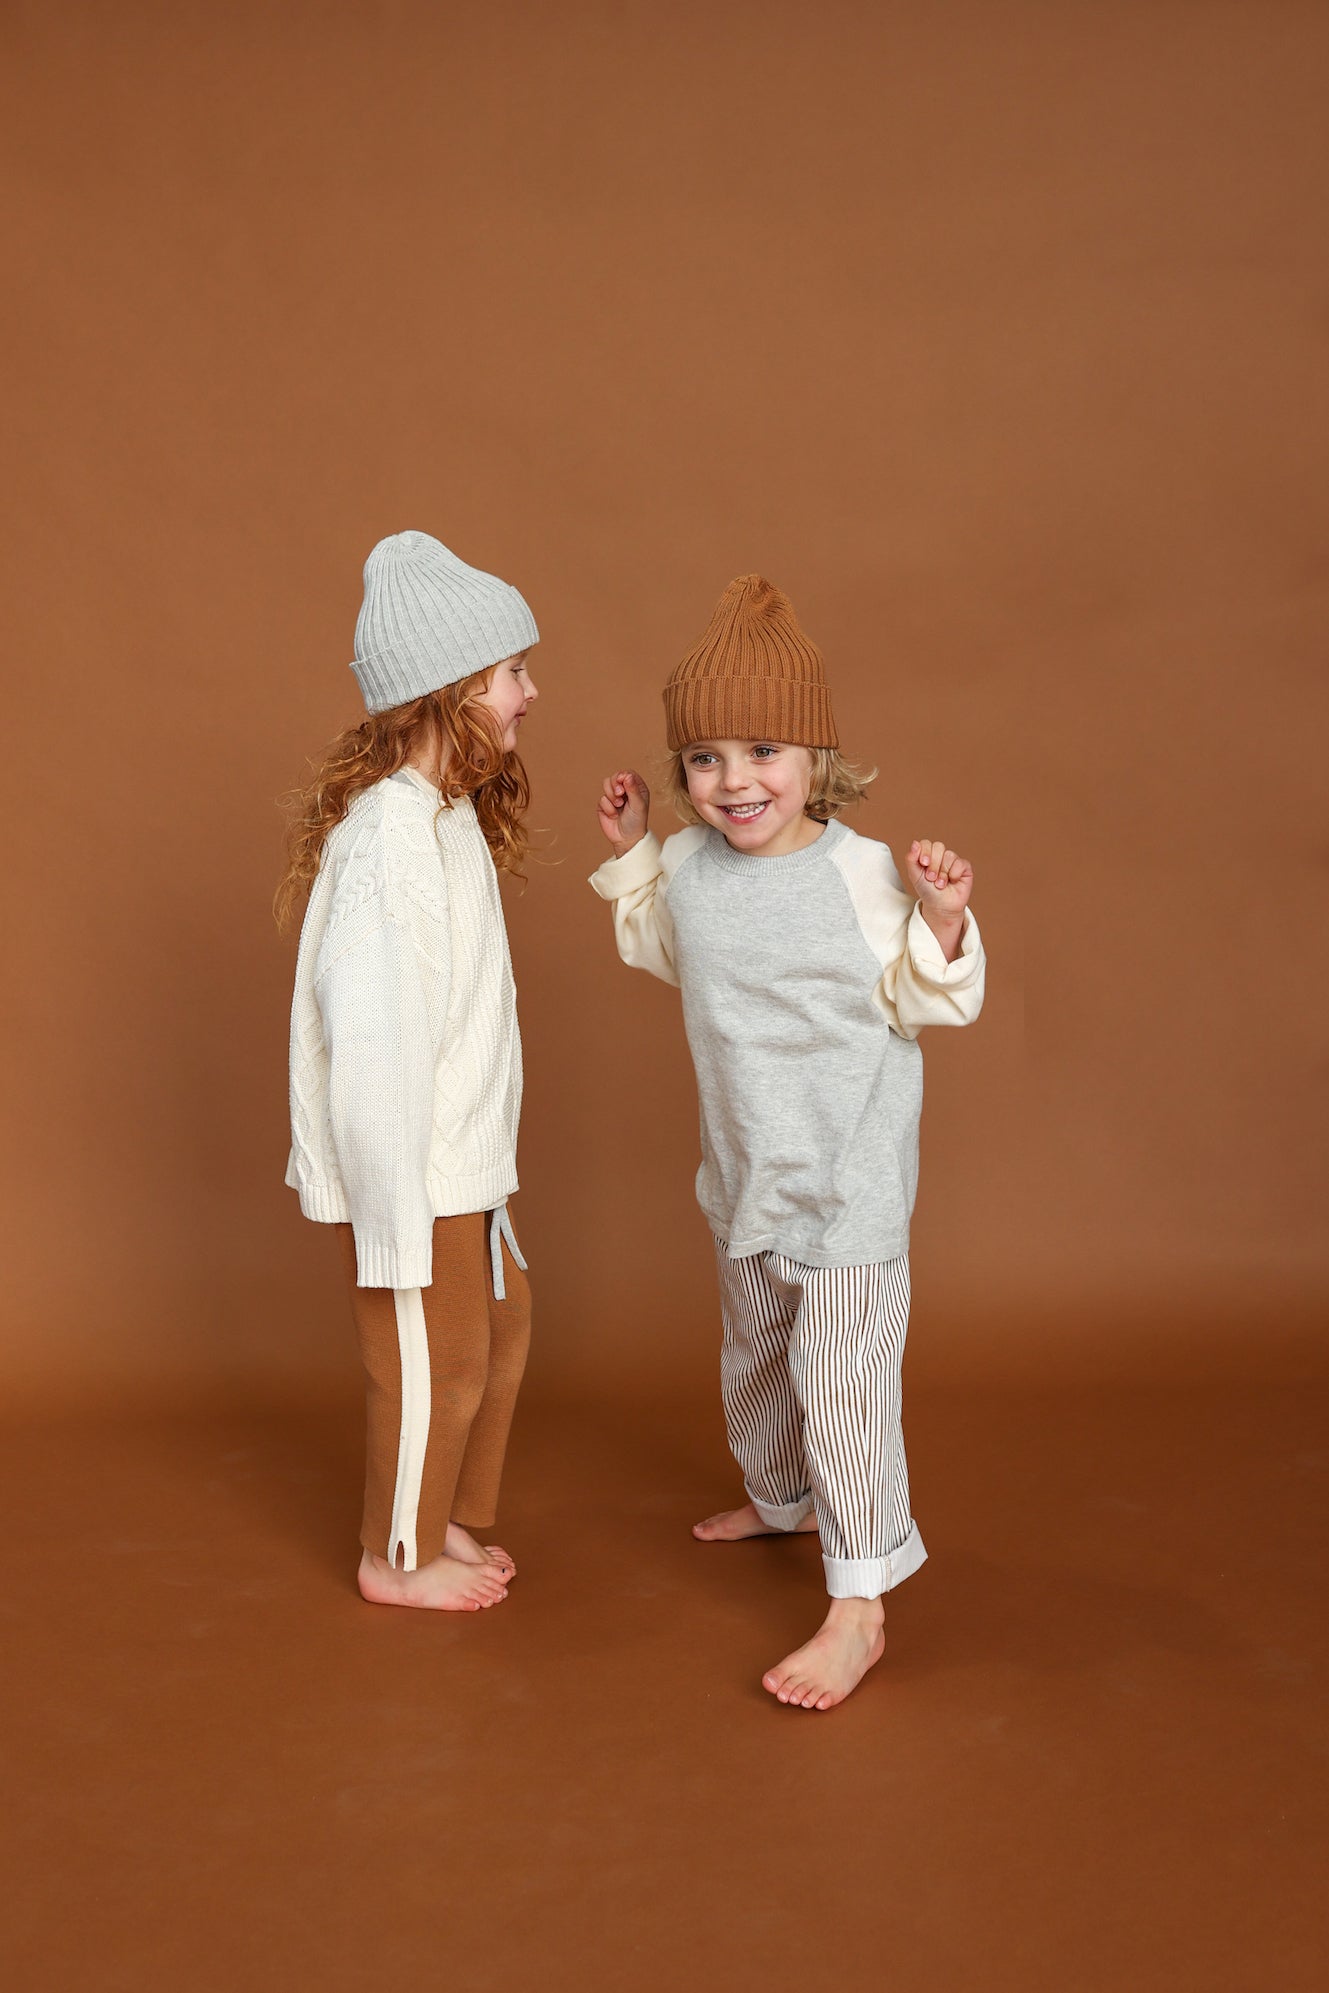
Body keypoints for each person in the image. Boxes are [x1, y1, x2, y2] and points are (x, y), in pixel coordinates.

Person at [591, 573, 986, 1708]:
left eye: (763, 751)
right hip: (744, 1176)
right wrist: (634, 848)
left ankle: (859, 1606)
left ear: (815, 756)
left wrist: (943, 918)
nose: (735, 780)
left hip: (848, 1185)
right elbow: (663, 944)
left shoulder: (859, 875)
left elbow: (930, 996)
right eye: (704, 758)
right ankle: (780, 1500)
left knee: (841, 1387)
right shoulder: (690, 869)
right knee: (757, 1358)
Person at [277, 529, 539, 1612]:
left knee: (500, 1335)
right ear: (453, 687)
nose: (530, 692)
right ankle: (395, 1555)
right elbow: (377, 1050)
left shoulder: (447, 815)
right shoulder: (389, 843)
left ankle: (440, 1519)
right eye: (514, 671)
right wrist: (392, 1224)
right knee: (435, 1359)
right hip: (413, 1175)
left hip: (463, 1159)